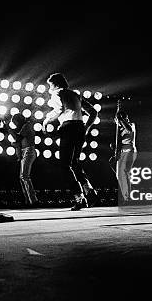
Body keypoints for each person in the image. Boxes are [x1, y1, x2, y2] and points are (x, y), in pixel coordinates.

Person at [43, 73, 98, 210]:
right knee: (75, 162)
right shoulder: (75, 94)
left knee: (65, 165)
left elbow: (59, 109)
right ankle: (90, 191)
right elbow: (93, 112)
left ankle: (79, 198)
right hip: (79, 127)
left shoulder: (57, 93)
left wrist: (46, 119)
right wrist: (85, 127)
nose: (49, 88)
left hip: (68, 127)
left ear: (55, 84)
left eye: (50, 85)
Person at [10, 113, 39, 206]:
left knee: (24, 176)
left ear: (18, 120)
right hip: (25, 151)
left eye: (15, 123)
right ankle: (28, 200)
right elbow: (19, 141)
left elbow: (18, 138)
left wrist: (10, 131)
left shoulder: (27, 125)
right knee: (22, 177)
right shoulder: (24, 126)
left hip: (29, 151)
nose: (15, 125)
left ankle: (33, 201)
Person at [114, 111, 137, 203]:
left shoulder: (131, 125)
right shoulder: (119, 129)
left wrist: (121, 120)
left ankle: (127, 197)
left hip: (130, 151)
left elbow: (129, 130)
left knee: (124, 171)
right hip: (122, 152)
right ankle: (126, 196)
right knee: (119, 174)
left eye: (118, 120)